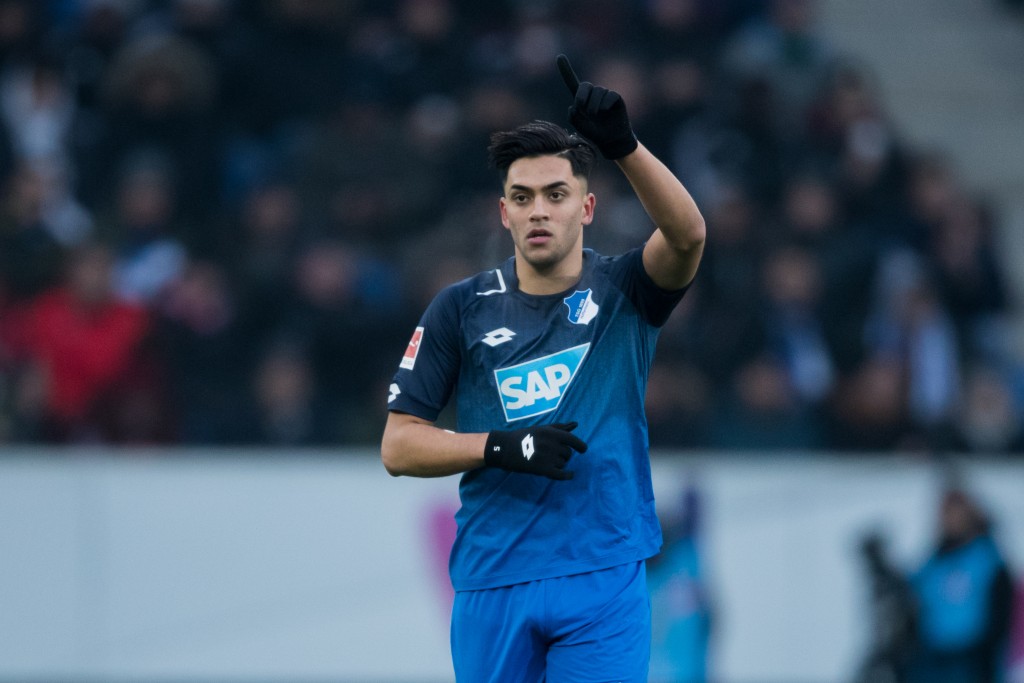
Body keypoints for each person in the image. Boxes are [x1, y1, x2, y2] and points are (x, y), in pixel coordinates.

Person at [380, 54, 705, 681]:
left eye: (557, 195)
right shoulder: (460, 308)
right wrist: (501, 446)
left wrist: (625, 147)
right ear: (503, 213)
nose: (538, 211)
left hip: (602, 572)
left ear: (586, 208)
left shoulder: (625, 291)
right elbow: (398, 446)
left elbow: (688, 236)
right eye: (522, 197)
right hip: (494, 576)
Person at [908, 484, 1014, 683]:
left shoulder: (986, 557)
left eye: (955, 512)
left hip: (971, 657)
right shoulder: (934, 561)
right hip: (931, 654)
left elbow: (1002, 612)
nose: (950, 519)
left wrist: (989, 660)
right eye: (946, 513)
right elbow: (912, 592)